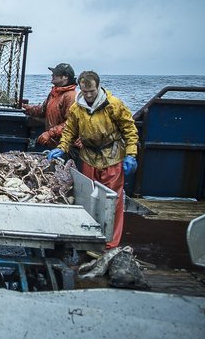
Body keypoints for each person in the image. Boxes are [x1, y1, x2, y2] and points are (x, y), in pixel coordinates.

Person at [47, 70, 138, 249]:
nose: (88, 95)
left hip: (111, 155)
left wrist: (131, 154)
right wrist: (61, 148)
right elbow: (70, 131)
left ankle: (110, 243)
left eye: (92, 91)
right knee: (89, 197)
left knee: (113, 200)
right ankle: (90, 238)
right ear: (80, 88)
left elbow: (129, 129)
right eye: (85, 91)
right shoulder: (77, 107)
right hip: (88, 156)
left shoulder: (113, 105)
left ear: (98, 86)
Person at [22, 62, 77, 148]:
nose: (52, 75)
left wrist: (50, 133)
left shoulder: (71, 96)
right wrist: (27, 108)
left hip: (64, 147)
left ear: (65, 77)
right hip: (52, 144)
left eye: (56, 74)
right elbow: (42, 111)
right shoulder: (54, 93)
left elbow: (70, 124)